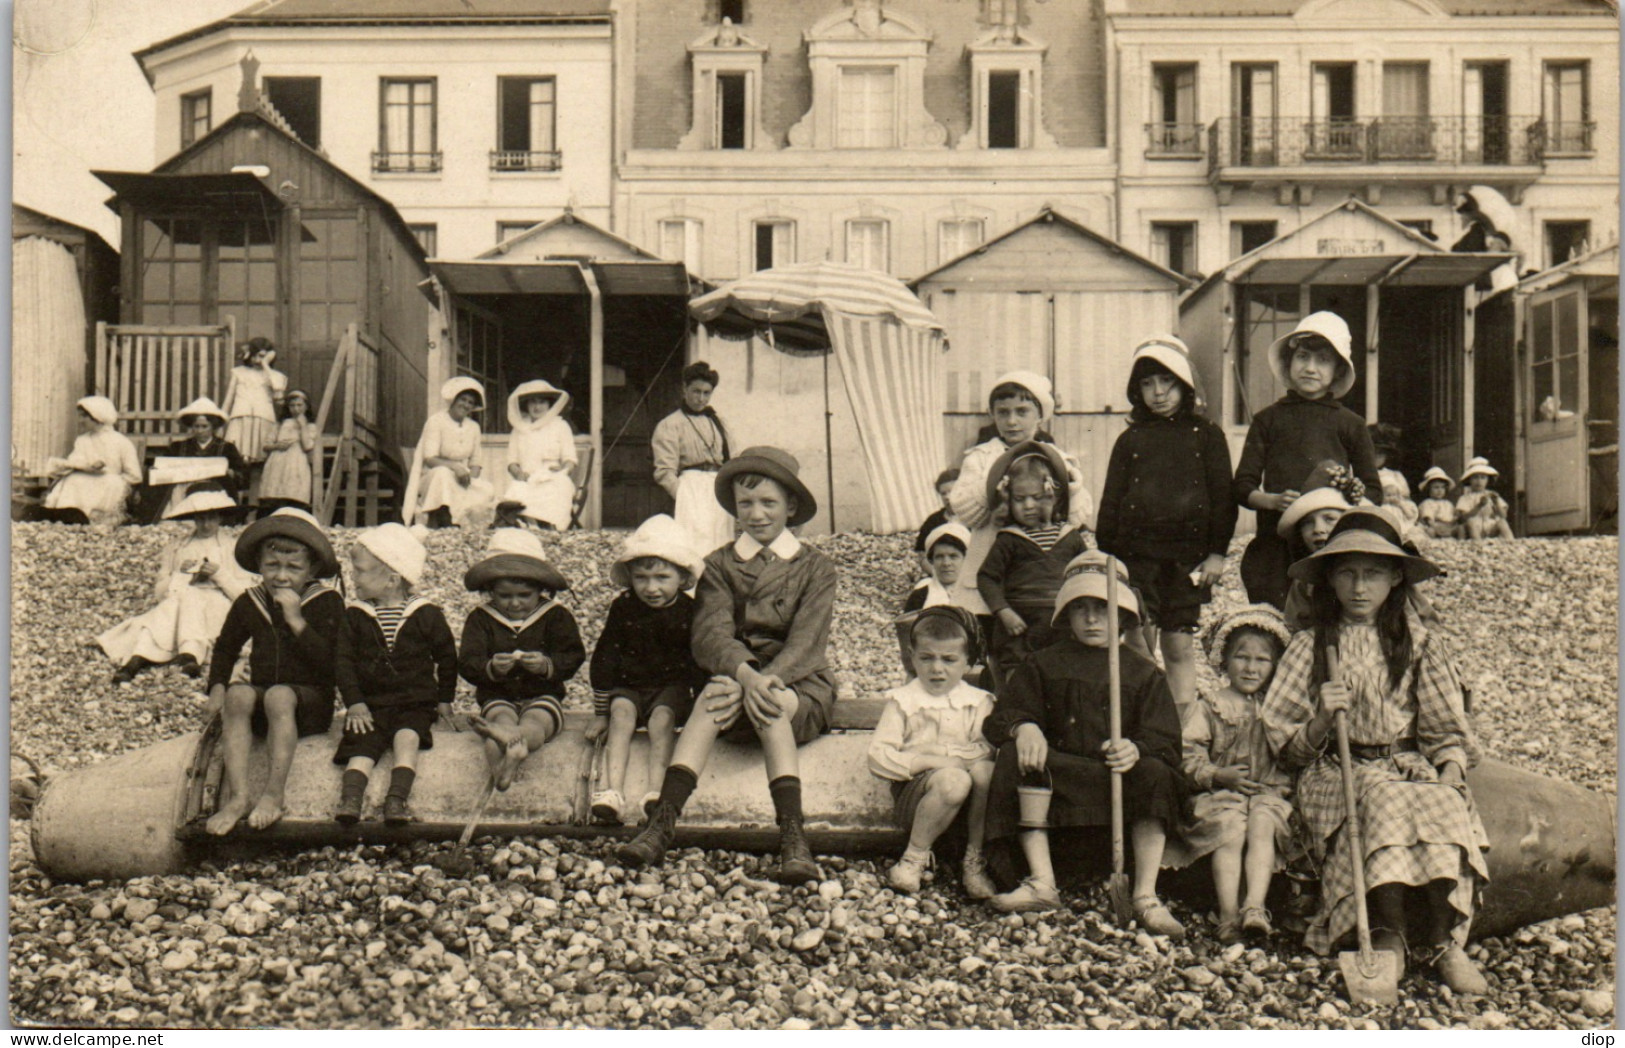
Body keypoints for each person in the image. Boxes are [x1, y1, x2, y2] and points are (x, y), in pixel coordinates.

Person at [1261, 513, 1490, 994]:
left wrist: (1449, 771)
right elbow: (1284, 746)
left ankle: (1443, 942)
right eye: (1346, 573)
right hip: (1336, 770)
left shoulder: (1418, 644)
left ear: (1395, 578)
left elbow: (1446, 729)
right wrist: (1322, 719)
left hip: (1404, 762)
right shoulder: (1312, 645)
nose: (1358, 587)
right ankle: (1386, 935)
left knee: (1444, 801)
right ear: (1330, 579)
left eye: (1372, 574)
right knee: (1384, 799)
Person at [619, 446, 838, 886]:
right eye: (746, 504)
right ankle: (662, 823)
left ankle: (793, 835)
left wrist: (765, 680)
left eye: (769, 503)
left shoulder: (816, 567)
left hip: (798, 686)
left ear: (791, 507)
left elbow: (807, 642)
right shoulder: (719, 564)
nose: (756, 514)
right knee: (716, 693)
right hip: (738, 681)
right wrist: (745, 674)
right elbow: (711, 636)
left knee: (771, 701)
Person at [981, 553, 1186, 929]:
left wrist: (1136, 748)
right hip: (1060, 781)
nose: (1092, 619)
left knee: (1156, 771)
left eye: (1102, 609)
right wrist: (1024, 727)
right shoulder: (1043, 663)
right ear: (1066, 616)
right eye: (1081, 609)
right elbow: (1001, 718)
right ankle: (1042, 881)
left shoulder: (1143, 673)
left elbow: (1167, 739)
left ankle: (1144, 894)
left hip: (1116, 784)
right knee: (1015, 755)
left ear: (1124, 616)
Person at [1096, 335, 1235, 720]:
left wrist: (1216, 553)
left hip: (1186, 561)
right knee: (1138, 642)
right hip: (1136, 558)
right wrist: (1110, 559)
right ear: (1136, 390)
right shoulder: (1131, 440)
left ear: (1185, 384)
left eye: (1166, 382)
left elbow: (1223, 498)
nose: (1158, 393)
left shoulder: (1206, 436)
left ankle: (1179, 725)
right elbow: (1111, 502)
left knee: (1178, 647)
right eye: (1147, 383)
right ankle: (1140, 718)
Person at [203, 508, 343, 835]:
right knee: (238, 694)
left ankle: (273, 794)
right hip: (263, 703)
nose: (281, 576)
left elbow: (332, 662)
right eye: (272, 566)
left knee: (280, 696)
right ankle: (238, 796)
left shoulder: (325, 601)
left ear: (312, 570)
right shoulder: (250, 601)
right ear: (258, 565)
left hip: (309, 706)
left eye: (293, 568)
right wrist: (217, 687)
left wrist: (296, 621)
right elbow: (226, 647)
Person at [1232, 312, 1382, 610]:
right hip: (1276, 546)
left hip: (1327, 545)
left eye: (1323, 360)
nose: (1310, 368)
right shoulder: (1267, 420)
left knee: (1325, 620)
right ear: (1289, 364)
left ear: (1338, 370)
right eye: (1303, 357)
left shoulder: (1350, 424)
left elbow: (1374, 491)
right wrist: (1271, 501)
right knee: (1274, 620)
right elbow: (1242, 485)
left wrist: (1343, 499)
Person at [1163, 605, 1294, 944]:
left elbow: (1295, 752)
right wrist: (1217, 774)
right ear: (1225, 660)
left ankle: (1254, 906)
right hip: (1220, 794)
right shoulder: (1210, 705)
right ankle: (1227, 914)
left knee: (1263, 821)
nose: (1250, 668)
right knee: (1231, 828)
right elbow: (1188, 755)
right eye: (1241, 658)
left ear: (1276, 664)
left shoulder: (1280, 707)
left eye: (1261, 660)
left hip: (1268, 792)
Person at [332, 524, 458, 827]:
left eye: (360, 571)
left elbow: (447, 657)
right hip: (372, 704)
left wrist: (444, 701)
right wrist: (355, 702)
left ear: (392, 580)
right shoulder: (356, 615)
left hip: (414, 702)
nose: (353, 578)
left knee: (407, 739)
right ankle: (351, 799)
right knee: (362, 747)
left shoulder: (425, 613)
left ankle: (396, 799)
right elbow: (344, 661)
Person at [868, 606, 998, 900]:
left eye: (949, 660)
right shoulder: (904, 701)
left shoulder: (978, 701)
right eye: (926, 658)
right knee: (953, 779)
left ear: (968, 663)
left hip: (969, 806)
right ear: (912, 658)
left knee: (985, 771)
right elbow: (878, 755)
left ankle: (974, 861)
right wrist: (929, 760)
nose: (936, 668)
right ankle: (914, 857)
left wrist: (950, 755)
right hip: (919, 799)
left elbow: (986, 749)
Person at [587, 515, 709, 825]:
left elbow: (698, 660)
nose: (651, 587)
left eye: (661, 577)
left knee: (661, 720)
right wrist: (601, 712)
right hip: (630, 685)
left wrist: (699, 707)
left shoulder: (689, 611)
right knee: (621, 714)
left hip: (671, 689)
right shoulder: (624, 606)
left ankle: (656, 792)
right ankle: (611, 791)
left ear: (682, 578)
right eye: (641, 578)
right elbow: (605, 656)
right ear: (630, 577)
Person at [947, 371, 1092, 616]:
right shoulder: (981, 457)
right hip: (989, 571)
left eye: (1022, 411)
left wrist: (1072, 487)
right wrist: (990, 485)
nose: (1011, 421)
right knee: (987, 640)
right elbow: (965, 513)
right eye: (1003, 412)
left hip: (1037, 583)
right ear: (993, 415)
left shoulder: (1056, 459)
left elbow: (1076, 519)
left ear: (1040, 416)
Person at [460, 528, 585, 790]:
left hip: (543, 694)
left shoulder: (555, 615)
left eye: (523, 596)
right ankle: (503, 769)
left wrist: (546, 665)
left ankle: (509, 743)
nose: (514, 604)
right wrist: (491, 668)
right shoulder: (481, 618)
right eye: (504, 596)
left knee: (536, 723)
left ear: (541, 589)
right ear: (490, 590)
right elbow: (468, 661)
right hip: (498, 695)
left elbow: (573, 655)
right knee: (500, 719)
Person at [98, 485, 253, 683]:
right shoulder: (178, 547)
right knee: (171, 606)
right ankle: (180, 655)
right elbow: (160, 593)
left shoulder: (232, 547)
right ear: (194, 519)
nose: (206, 525)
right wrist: (182, 575)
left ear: (220, 517)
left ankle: (142, 657)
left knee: (180, 603)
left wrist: (219, 574)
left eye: (212, 518)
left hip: (217, 604)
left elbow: (245, 595)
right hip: (180, 602)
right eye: (201, 518)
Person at [977, 441, 1091, 683]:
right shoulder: (1010, 539)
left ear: (1054, 496)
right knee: (1018, 676)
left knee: (1062, 674)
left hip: (1061, 622)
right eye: (1019, 499)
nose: (1028, 506)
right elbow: (987, 577)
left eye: (1037, 497)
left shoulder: (1069, 536)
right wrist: (1004, 611)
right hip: (1020, 623)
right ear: (1008, 501)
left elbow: (1086, 573)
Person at [651, 361, 735, 555]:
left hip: (719, 486)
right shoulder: (670, 425)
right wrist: (684, 495)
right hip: (691, 487)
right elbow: (664, 471)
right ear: (685, 389)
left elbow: (732, 457)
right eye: (696, 391)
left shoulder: (718, 421)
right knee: (694, 543)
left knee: (722, 539)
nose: (701, 398)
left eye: (707, 393)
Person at [1277, 461, 1367, 632]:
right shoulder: (1306, 578)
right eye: (1308, 523)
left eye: (1329, 519)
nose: (1318, 529)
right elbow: (1293, 626)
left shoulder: (1378, 566)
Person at [898, 521, 984, 679]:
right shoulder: (921, 595)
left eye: (953, 556)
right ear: (931, 561)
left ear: (966, 558)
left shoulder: (979, 593)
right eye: (939, 557)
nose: (946, 563)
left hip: (973, 673)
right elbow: (908, 646)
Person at [408, 377, 495, 529]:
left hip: (462, 476)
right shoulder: (436, 421)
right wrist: (455, 467)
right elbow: (430, 458)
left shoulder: (474, 427)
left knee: (486, 489)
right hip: (433, 475)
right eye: (463, 399)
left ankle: (462, 523)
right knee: (442, 474)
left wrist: (470, 479)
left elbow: (475, 461)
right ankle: (443, 518)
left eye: (471, 403)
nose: (466, 405)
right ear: (453, 399)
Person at [41, 396, 142, 526]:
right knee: (73, 480)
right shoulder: (82, 440)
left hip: (110, 483)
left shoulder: (121, 441)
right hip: (85, 479)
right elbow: (74, 462)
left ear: (97, 417)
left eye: (84, 417)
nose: (80, 421)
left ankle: (96, 518)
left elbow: (134, 476)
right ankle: (70, 516)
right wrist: (82, 466)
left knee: (111, 481)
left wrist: (111, 477)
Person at [151, 398, 247, 520]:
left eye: (204, 426)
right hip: (182, 491)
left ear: (213, 427)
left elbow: (243, 476)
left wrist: (231, 473)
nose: (200, 431)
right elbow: (160, 469)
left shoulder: (226, 448)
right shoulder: (178, 447)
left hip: (215, 490)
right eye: (196, 426)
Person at [502, 379, 578, 531]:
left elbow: (570, 459)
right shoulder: (519, 429)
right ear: (527, 405)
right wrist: (518, 473)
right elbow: (512, 461)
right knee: (516, 491)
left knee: (558, 487)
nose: (537, 407)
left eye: (542, 402)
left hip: (553, 477)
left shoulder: (561, 426)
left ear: (549, 404)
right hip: (528, 479)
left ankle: (549, 527)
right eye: (533, 402)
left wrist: (563, 471)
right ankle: (529, 526)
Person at [221, 337, 287, 468]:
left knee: (263, 459)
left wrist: (266, 365)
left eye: (262, 356)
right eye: (255, 356)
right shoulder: (238, 372)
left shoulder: (273, 375)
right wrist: (220, 421)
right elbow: (229, 399)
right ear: (248, 355)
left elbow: (279, 394)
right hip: (241, 417)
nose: (258, 360)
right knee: (237, 457)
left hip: (263, 417)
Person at [258, 388, 317, 513]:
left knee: (294, 491)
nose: (296, 409)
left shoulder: (310, 426)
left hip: (297, 460)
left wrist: (302, 426)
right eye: (292, 406)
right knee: (275, 493)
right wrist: (277, 446)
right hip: (278, 460)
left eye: (300, 405)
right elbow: (266, 445)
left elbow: (307, 446)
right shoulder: (280, 424)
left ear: (306, 406)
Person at [1368, 423, 1419, 534]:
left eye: (1381, 453)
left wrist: (1401, 504)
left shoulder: (1395, 475)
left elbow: (1405, 500)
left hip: (1397, 515)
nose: (1376, 457)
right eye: (1372, 452)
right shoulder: (1362, 474)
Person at [912, 468, 960, 571]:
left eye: (952, 491)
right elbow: (922, 555)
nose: (947, 497)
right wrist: (938, 576)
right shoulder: (933, 521)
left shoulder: (975, 518)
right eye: (943, 493)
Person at [1456, 457, 1515, 539]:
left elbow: (1503, 515)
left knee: (1502, 522)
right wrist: (1479, 506)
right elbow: (1462, 518)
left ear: (1487, 480)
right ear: (1469, 480)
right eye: (1475, 478)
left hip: (1489, 527)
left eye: (1483, 478)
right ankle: (1478, 545)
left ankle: (1511, 543)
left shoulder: (1491, 495)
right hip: (1473, 528)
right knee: (1471, 522)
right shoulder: (1465, 498)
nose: (1479, 481)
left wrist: (1496, 502)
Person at [1417, 467, 1458, 540]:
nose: (1440, 490)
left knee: (1460, 529)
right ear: (1428, 489)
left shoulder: (1448, 504)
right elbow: (1428, 519)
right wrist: (1436, 527)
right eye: (1436, 488)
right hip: (1434, 525)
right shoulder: (1427, 503)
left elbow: (1454, 517)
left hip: (1448, 525)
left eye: (1442, 488)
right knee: (1430, 531)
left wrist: (1454, 521)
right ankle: (1435, 543)